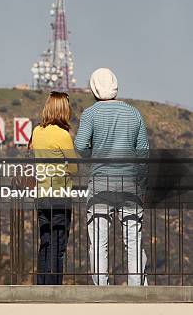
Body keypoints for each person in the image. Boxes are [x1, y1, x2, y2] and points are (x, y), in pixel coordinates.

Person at [75, 68, 149, 286]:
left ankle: (101, 288)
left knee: (98, 239)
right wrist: (142, 185)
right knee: (133, 239)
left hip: (100, 183)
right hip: (130, 184)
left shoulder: (90, 113)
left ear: (94, 87)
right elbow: (143, 152)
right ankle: (136, 286)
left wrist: (93, 157)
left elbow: (79, 145)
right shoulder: (134, 113)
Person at [29, 91, 78, 285]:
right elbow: (73, 168)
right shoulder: (63, 135)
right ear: (64, 110)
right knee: (58, 245)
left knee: (46, 242)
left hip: (42, 194)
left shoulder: (36, 131)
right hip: (60, 195)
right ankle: (54, 287)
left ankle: (42, 285)